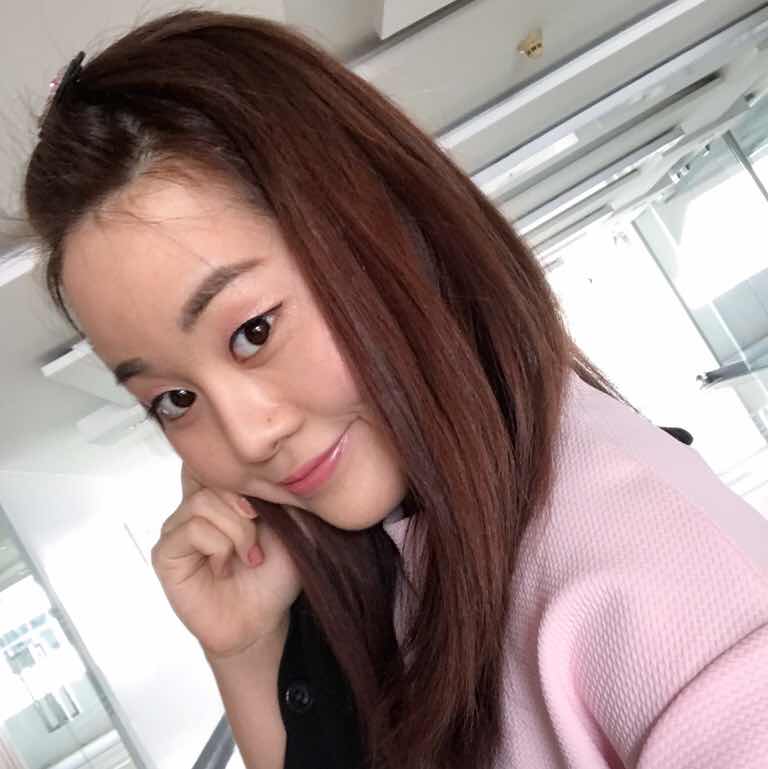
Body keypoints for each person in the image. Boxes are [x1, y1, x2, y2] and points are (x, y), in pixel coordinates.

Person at [22, 10, 768, 769]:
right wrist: (243, 653)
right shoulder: (384, 543)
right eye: (174, 400)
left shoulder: (677, 602)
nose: (248, 436)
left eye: (254, 331)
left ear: (389, 231)